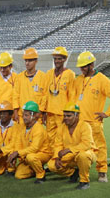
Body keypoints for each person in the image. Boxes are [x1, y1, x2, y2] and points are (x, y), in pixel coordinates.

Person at [73, 51, 110, 182]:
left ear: (92, 64)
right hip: (79, 122)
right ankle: (78, 170)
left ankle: (102, 171)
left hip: (94, 122)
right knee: (79, 146)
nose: (82, 69)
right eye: (81, 67)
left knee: (100, 147)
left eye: (84, 66)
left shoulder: (102, 80)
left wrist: (106, 113)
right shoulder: (78, 80)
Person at [47, 103, 97, 190]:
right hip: (71, 156)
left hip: (87, 153)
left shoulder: (85, 126)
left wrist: (69, 150)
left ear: (77, 115)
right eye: (64, 115)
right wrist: (57, 157)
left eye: (69, 116)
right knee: (51, 165)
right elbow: (58, 144)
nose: (65, 118)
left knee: (83, 155)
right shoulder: (62, 127)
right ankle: (74, 173)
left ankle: (84, 181)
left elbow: (86, 144)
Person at [7, 101, 51, 184]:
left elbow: (35, 148)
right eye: (23, 115)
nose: (24, 117)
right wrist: (15, 154)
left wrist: (18, 153)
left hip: (42, 154)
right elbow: (18, 143)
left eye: (26, 115)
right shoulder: (22, 127)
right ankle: (36, 168)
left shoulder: (39, 129)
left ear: (33, 116)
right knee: (19, 175)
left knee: (31, 157)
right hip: (27, 155)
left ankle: (41, 175)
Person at [45, 47, 75, 149]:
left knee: (63, 137)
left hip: (62, 114)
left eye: (59, 59)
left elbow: (72, 95)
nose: (57, 61)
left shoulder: (70, 74)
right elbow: (45, 94)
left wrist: (69, 114)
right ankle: (52, 162)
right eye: (55, 58)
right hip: (50, 113)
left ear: (65, 59)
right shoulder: (49, 73)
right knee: (50, 138)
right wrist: (44, 110)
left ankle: (64, 161)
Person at [13, 48, 46, 124]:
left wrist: (40, 112)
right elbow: (15, 95)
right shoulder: (19, 77)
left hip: (37, 116)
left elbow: (45, 97)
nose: (27, 63)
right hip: (22, 116)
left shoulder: (43, 77)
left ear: (36, 61)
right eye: (26, 60)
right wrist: (15, 112)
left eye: (30, 60)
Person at [0, 100, 18, 176]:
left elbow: (15, 144)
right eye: (1, 113)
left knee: (13, 151)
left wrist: (0, 150)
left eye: (5, 113)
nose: (2, 115)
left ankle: (11, 169)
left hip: (8, 152)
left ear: (11, 114)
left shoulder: (16, 126)